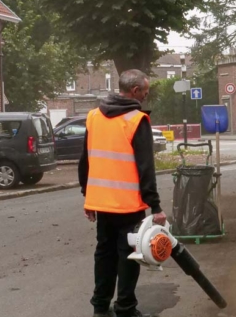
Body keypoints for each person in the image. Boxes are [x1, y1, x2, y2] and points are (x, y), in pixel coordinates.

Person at [79, 69, 167, 317]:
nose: (145, 98)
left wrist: (88, 197)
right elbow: (145, 168)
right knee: (128, 255)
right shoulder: (136, 120)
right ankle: (126, 308)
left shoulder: (93, 116)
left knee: (104, 254)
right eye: (145, 93)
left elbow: (85, 161)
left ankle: (100, 306)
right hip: (128, 205)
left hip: (102, 204)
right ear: (135, 91)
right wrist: (156, 207)